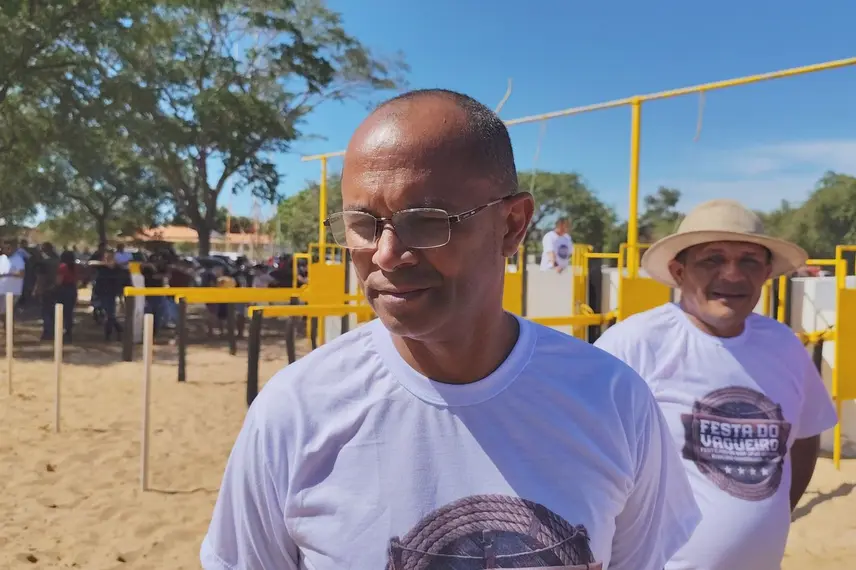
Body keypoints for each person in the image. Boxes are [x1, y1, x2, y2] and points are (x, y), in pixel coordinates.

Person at [201, 89, 700, 570]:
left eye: (425, 221)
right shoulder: (296, 411)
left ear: (512, 225)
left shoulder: (614, 402)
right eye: (362, 223)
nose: (386, 254)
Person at [593, 199, 839, 570]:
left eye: (749, 261)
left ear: (766, 272)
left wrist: (769, 513)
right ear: (678, 271)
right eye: (712, 259)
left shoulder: (784, 345)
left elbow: (804, 438)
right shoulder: (636, 344)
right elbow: (580, 452)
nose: (733, 275)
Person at [56, 249, 79, 343]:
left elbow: (59, 281)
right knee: (69, 312)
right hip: (72, 289)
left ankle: (61, 330)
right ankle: (68, 331)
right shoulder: (75, 267)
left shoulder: (62, 267)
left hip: (63, 289)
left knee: (61, 311)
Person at [0, 240, 26, 316]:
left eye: (7, 248)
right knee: (2, 313)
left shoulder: (18, 259)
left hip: (13, 291)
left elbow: (21, 273)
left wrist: (6, 274)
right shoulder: (2, 258)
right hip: (2, 290)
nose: (4, 250)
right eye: (3, 248)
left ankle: (9, 327)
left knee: (8, 313)